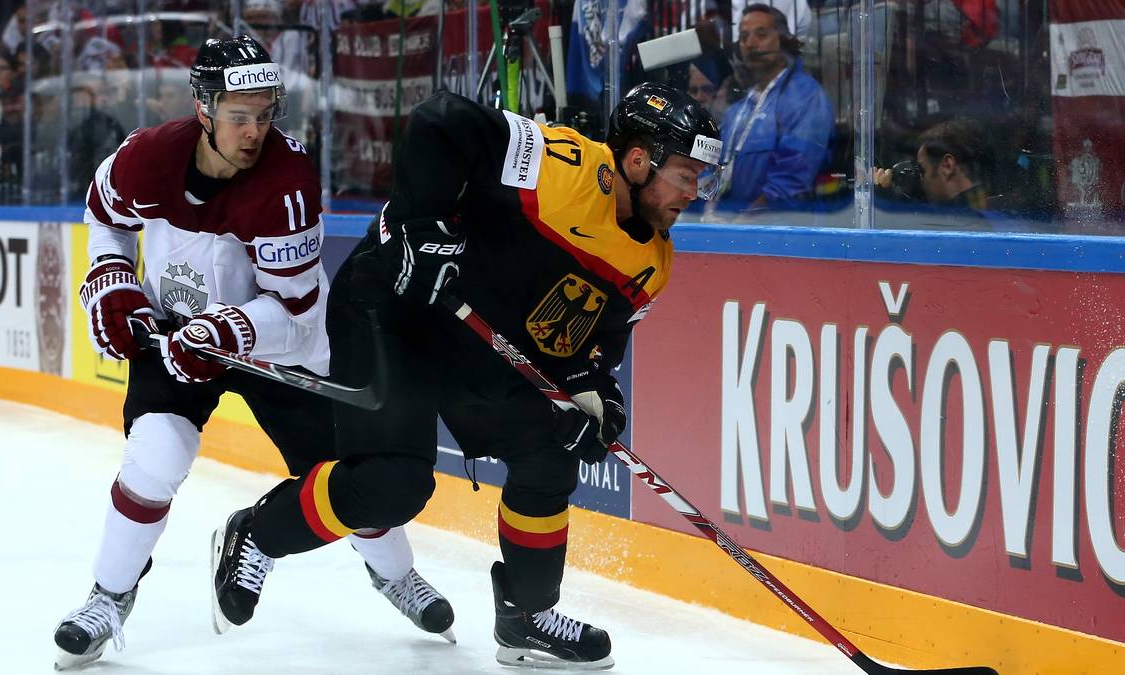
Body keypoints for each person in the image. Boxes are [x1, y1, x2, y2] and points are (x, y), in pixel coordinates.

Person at [208, 81, 723, 669]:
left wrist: (594, 393)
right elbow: (439, 120)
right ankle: (257, 533)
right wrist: (416, 222)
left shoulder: (652, 264)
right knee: (392, 485)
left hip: (474, 346)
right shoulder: (564, 165)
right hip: (391, 308)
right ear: (638, 161)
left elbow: (591, 346)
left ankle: (526, 614)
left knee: (550, 449)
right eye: (685, 174)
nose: (695, 191)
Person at [51, 34, 454, 671]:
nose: (254, 131)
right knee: (155, 456)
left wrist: (224, 333)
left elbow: (295, 314)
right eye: (239, 115)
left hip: (269, 343)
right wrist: (110, 280)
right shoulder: (146, 156)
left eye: (265, 114)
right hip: (175, 331)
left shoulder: (287, 183)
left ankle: (395, 576)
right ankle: (107, 598)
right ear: (204, 107)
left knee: (342, 472)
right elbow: (105, 215)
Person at [716, 4, 833, 211]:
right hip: (733, 224)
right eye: (743, 37)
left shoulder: (804, 96)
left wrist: (744, 222)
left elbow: (791, 181)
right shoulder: (738, 108)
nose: (750, 44)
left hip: (780, 230)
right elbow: (715, 166)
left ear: (784, 41)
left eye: (761, 35)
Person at [874, 118, 1006, 229]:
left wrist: (884, 196)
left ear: (947, 166)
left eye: (923, 171)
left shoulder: (963, 222)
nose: (922, 182)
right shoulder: (999, 212)